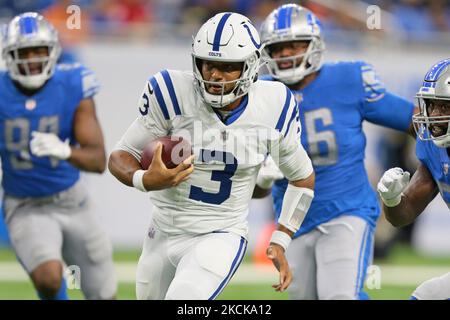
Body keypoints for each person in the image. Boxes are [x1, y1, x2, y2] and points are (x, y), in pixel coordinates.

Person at [108, 12, 315, 300]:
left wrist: (280, 239)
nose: (215, 75)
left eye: (227, 66)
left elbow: (302, 179)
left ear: (251, 66)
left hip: (220, 234)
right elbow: (120, 156)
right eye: (208, 64)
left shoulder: (274, 104)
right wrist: (144, 179)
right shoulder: (171, 92)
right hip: (162, 231)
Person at [256, 4, 416, 300]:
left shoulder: (349, 79)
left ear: (315, 45)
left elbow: (413, 120)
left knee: (340, 296)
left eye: (295, 45)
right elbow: (254, 191)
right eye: (278, 48)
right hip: (292, 222)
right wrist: (262, 179)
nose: (286, 54)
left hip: (347, 209)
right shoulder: (259, 93)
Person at [0, 12, 116, 299]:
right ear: (9, 56)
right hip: (25, 204)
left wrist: (65, 150)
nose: (32, 59)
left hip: (73, 202)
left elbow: (98, 160)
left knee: (102, 294)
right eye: (24, 52)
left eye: (39, 51)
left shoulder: (73, 83)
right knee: (49, 278)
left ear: (53, 53)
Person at [377, 58, 450, 300]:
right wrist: (392, 198)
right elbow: (403, 215)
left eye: (445, 107)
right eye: (432, 105)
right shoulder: (433, 148)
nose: (436, 115)